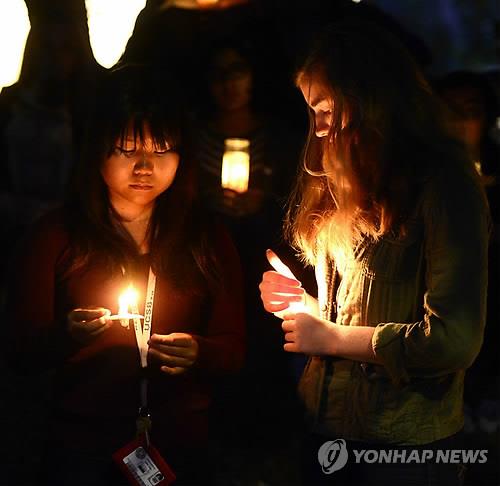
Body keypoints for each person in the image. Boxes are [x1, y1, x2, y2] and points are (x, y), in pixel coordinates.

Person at [259, 19, 489, 486]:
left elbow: (455, 340)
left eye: (327, 109)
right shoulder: (341, 180)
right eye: (311, 112)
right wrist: (303, 307)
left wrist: (329, 339)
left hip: (403, 449)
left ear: (371, 102)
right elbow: (348, 312)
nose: (319, 129)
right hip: (323, 429)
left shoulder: (443, 186)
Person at [5, 64, 245, 486]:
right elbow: (19, 352)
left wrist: (200, 352)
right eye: (126, 149)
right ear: (96, 151)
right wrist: (67, 334)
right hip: (82, 444)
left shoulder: (206, 238)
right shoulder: (55, 237)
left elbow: (236, 349)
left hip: (179, 440)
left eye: (162, 150)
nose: (145, 167)